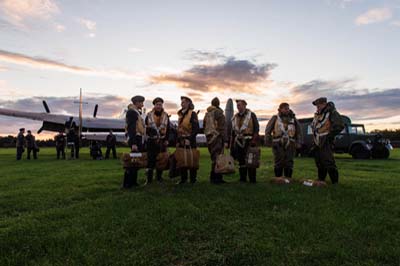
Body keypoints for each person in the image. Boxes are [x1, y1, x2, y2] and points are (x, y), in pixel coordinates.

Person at [311, 97, 344, 184]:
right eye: (316, 105)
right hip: (317, 141)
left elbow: (339, 126)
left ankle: (335, 182)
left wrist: (330, 136)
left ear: (324, 104)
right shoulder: (317, 115)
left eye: (319, 105)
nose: (317, 107)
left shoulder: (332, 113)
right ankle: (321, 180)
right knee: (319, 161)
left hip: (326, 141)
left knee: (328, 161)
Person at [265, 103, 302, 178]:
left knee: (289, 161)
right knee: (279, 160)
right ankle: (278, 178)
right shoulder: (275, 118)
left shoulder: (293, 119)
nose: (287, 110)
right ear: (280, 109)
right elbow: (268, 130)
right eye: (285, 108)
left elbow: (299, 131)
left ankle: (288, 178)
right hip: (278, 142)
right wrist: (267, 141)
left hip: (291, 142)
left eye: (288, 108)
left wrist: (299, 142)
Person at [230, 99, 260, 183]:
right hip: (238, 141)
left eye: (239, 105)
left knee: (251, 160)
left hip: (249, 140)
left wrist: (254, 140)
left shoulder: (252, 115)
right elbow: (232, 132)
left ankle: (252, 179)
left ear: (244, 105)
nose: (238, 107)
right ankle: (242, 179)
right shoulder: (235, 117)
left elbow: (256, 128)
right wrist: (231, 144)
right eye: (237, 105)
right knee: (241, 161)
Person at [144, 97, 170, 185]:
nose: (159, 106)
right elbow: (146, 128)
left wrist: (167, 140)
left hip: (162, 141)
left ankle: (159, 177)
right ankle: (149, 180)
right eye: (157, 104)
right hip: (151, 141)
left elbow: (168, 129)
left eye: (160, 104)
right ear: (154, 105)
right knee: (150, 159)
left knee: (161, 159)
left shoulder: (166, 115)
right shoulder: (149, 115)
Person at [122, 95, 146, 188]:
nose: (142, 104)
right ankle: (127, 183)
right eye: (141, 102)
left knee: (135, 161)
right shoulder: (132, 112)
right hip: (135, 138)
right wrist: (134, 143)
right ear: (136, 103)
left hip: (137, 138)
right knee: (132, 161)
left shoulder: (136, 112)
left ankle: (133, 181)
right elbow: (131, 128)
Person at [203, 97, 228, 184]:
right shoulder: (219, 113)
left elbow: (204, 126)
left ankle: (213, 177)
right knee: (218, 158)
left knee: (213, 158)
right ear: (218, 104)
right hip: (217, 138)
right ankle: (217, 178)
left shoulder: (207, 113)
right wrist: (225, 140)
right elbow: (223, 128)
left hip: (209, 139)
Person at [176, 96, 199, 184]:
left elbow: (196, 129)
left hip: (190, 140)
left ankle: (193, 179)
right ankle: (183, 179)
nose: (182, 103)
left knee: (192, 159)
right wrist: (178, 141)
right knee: (182, 159)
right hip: (181, 140)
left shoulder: (193, 114)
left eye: (184, 102)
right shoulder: (180, 115)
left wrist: (189, 139)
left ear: (189, 103)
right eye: (181, 102)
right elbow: (179, 129)